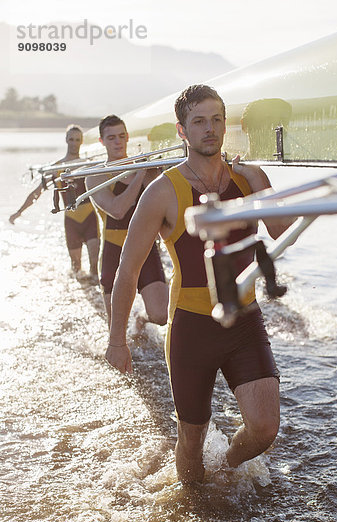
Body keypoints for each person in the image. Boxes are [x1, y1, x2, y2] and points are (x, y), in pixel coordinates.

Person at [106, 85, 292, 484]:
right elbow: (128, 268)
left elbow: (281, 229)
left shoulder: (250, 178)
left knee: (264, 428)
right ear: (182, 131)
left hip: (245, 320)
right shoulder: (162, 192)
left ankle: (226, 467)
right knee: (190, 442)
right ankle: (194, 505)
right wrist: (117, 340)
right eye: (199, 121)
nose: (210, 129)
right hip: (191, 328)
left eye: (217, 119)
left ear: (226, 125)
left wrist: (256, 182)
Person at [85, 115, 168, 327]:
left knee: (160, 316)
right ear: (102, 141)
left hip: (146, 249)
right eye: (111, 138)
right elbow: (117, 210)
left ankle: (141, 318)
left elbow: (166, 206)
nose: (117, 142)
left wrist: (156, 173)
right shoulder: (94, 177)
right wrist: (139, 174)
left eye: (122, 136)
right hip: (114, 252)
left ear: (128, 137)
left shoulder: (147, 172)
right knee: (116, 327)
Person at [9, 125, 99, 280]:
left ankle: (95, 295)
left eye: (77, 140)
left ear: (81, 141)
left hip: (90, 218)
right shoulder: (56, 168)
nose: (74, 143)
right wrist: (19, 211)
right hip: (71, 221)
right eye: (71, 139)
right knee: (76, 269)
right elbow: (37, 193)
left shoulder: (88, 165)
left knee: (94, 267)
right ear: (66, 140)